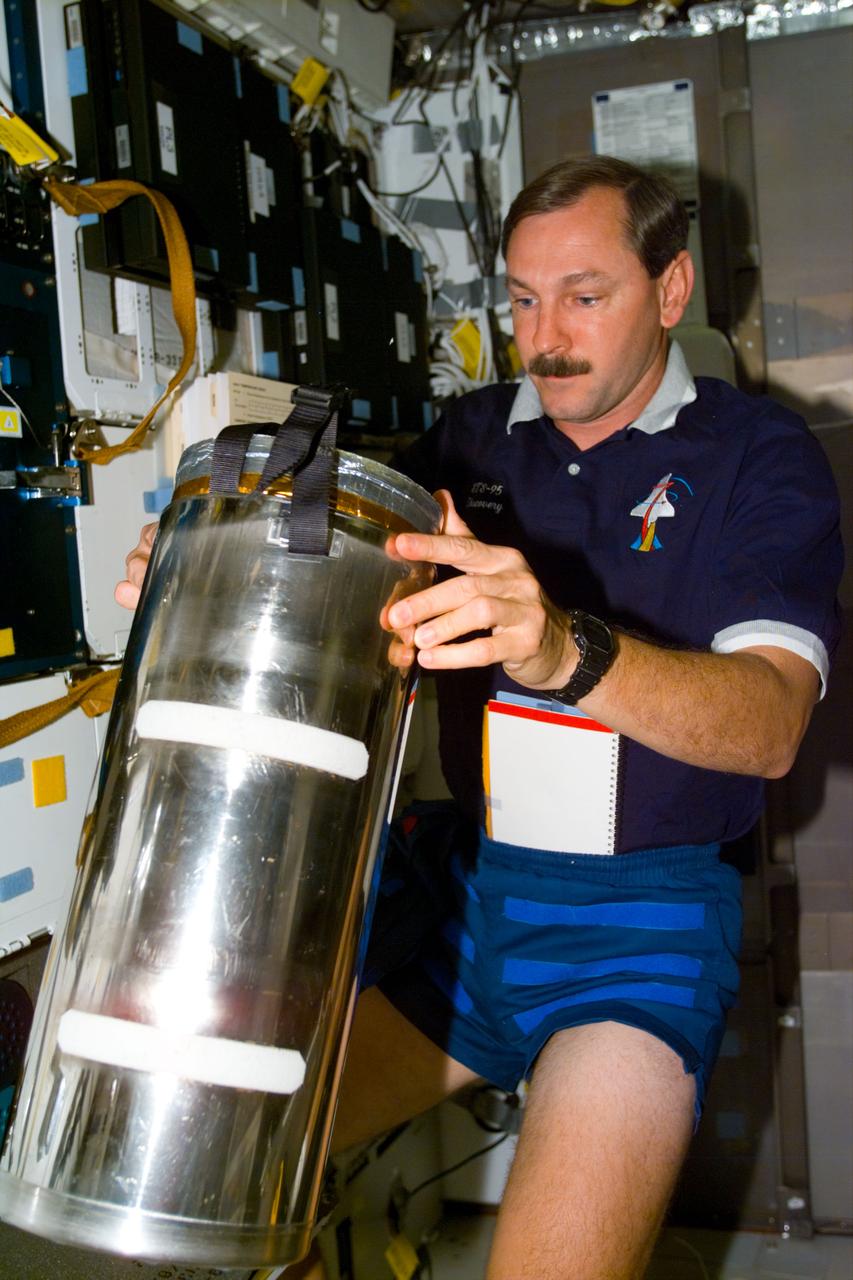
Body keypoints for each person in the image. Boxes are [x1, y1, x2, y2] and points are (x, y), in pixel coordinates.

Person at [118, 156, 842, 1279]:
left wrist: (562, 646)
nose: (544, 333)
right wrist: (208, 572)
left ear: (671, 288)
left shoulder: (760, 457)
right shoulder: (468, 442)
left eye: (584, 295)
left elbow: (769, 728)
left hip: (636, 926)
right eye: (520, 297)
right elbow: (338, 579)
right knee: (209, 1177)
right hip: (466, 898)